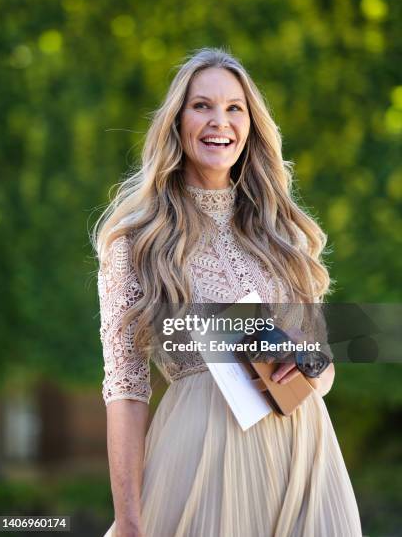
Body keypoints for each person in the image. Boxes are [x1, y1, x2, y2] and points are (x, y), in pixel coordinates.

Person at [92, 47, 363, 537]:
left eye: (234, 107)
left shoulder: (285, 235)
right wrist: (129, 520)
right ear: (176, 123)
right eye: (202, 106)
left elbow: (323, 371)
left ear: (250, 124)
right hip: (202, 460)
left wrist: (307, 361)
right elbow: (127, 390)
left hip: (306, 457)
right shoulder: (136, 241)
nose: (220, 121)